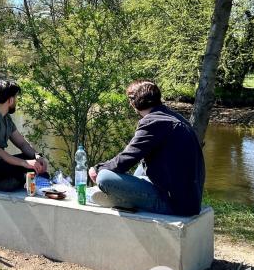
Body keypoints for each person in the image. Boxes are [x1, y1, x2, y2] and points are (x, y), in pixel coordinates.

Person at [88, 80, 205, 216]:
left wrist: (98, 169)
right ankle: (125, 198)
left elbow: (127, 159)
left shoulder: (153, 121)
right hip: (189, 201)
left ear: (133, 103)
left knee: (104, 177)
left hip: (174, 205)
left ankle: (123, 199)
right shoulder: (173, 117)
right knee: (143, 163)